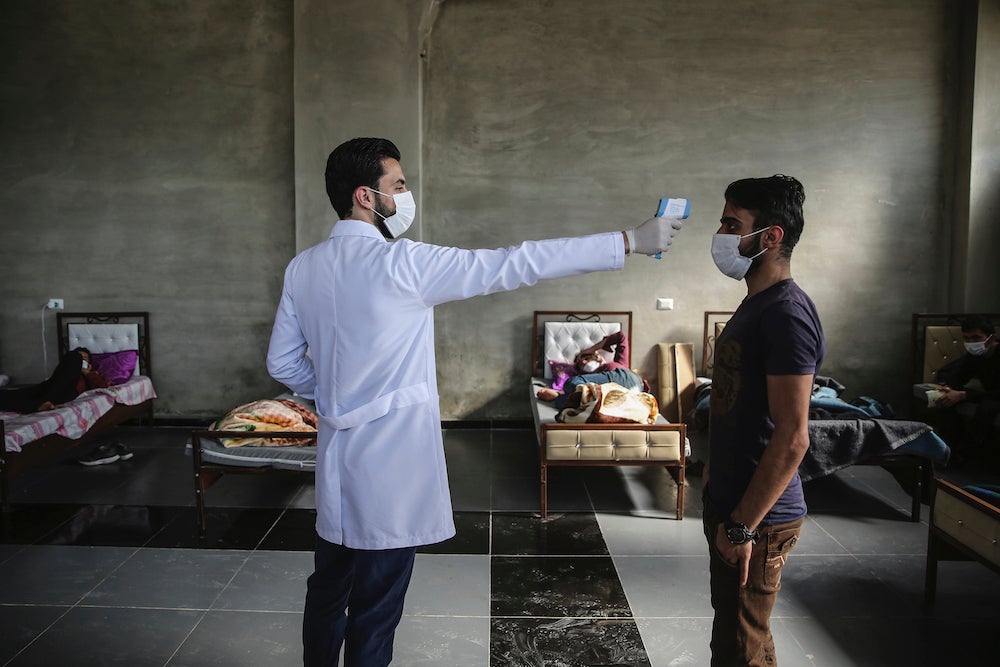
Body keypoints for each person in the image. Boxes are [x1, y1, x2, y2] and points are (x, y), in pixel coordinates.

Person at [265, 137, 685, 666]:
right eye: (399, 185)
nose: (406, 194)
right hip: (391, 466)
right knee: (377, 602)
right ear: (365, 196)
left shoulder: (303, 268)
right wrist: (628, 241)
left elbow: (282, 363)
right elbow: (515, 262)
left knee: (329, 587)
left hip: (336, 464)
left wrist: (333, 391)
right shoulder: (404, 263)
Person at [702, 175, 824, 666]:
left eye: (732, 224)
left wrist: (743, 526)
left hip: (759, 519)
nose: (721, 235)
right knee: (741, 635)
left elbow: (793, 438)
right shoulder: (757, 303)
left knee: (739, 648)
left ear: (770, 236)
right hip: (734, 503)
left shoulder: (787, 314)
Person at [932, 315, 1000, 462]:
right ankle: (947, 448)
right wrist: (947, 388)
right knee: (945, 400)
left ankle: (966, 454)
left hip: (995, 396)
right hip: (991, 394)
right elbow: (959, 376)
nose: (971, 343)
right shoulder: (976, 355)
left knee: (987, 407)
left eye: (976, 338)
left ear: (992, 338)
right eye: (967, 338)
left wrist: (964, 395)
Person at [536, 331, 646, 409]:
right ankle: (558, 397)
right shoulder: (589, 379)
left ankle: (558, 397)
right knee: (581, 398)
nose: (583, 362)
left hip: (631, 380)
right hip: (620, 397)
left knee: (570, 383)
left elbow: (621, 336)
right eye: (580, 364)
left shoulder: (620, 364)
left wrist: (591, 349)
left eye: (586, 358)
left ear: (598, 358)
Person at [0, 347, 108, 413]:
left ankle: (41, 403)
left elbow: (102, 387)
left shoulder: (93, 375)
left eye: (83, 359)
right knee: (8, 394)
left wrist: (87, 373)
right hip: (49, 386)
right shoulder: (66, 370)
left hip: (66, 391)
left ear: (89, 365)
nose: (80, 361)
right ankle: (38, 404)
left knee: (74, 355)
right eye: (80, 359)